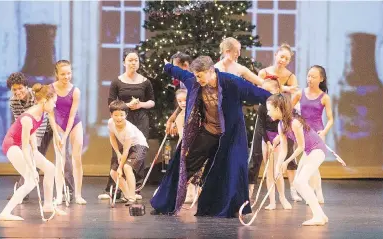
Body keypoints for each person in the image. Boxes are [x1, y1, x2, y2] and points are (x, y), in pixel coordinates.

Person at [150, 56, 271, 218]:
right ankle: (163, 205)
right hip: (207, 132)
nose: (197, 79)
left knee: (234, 169)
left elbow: (258, 93)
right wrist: (168, 67)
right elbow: (181, 73)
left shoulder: (231, 82)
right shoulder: (194, 81)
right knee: (182, 164)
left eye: (200, 76)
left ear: (210, 71)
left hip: (231, 136)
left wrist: (278, 102)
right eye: (196, 76)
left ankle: (228, 208)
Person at [267, 94, 344, 226]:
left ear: (278, 109)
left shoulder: (295, 123)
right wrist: (278, 166)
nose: (268, 112)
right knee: (297, 183)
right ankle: (321, 215)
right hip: (309, 151)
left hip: (317, 149)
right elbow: (284, 149)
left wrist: (286, 162)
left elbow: (301, 147)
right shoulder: (281, 125)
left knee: (301, 181)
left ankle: (318, 216)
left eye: (270, 109)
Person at [6, 72, 75, 201]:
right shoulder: (13, 101)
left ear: (26, 87)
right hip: (33, 128)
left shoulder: (36, 95)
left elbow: (45, 117)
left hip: (50, 125)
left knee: (63, 156)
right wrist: (26, 142)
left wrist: (42, 140)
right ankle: (23, 191)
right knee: (33, 159)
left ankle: (69, 191)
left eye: (20, 88)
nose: (18, 92)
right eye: (14, 89)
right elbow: (20, 121)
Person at [0, 84, 64, 221]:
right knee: (31, 180)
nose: (55, 106)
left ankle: (48, 206)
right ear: (45, 101)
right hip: (13, 146)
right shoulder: (28, 118)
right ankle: (5, 213)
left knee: (50, 168)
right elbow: (24, 146)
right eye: (54, 102)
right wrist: (31, 167)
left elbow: (32, 144)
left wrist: (36, 152)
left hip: (25, 146)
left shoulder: (41, 113)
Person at [101, 50, 155, 200]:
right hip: (123, 117)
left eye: (136, 60)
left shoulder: (145, 81)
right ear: (124, 62)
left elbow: (152, 101)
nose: (133, 63)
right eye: (130, 60)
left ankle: (135, 189)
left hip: (140, 118)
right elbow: (111, 103)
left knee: (137, 153)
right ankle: (113, 189)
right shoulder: (117, 81)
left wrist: (140, 104)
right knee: (117, 151)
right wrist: (126, 105)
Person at [257, 43, 301, 202]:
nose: (283, 60)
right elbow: (259, 87)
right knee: (264, 159)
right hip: (267, 115)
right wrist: (284, 88)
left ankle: (293, 190)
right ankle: (268, 197)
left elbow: (294, 94)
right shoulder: (264, 72)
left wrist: (284, 91)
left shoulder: (290, 76)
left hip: (282, 118)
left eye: (287, 59)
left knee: (289, 153)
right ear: (276, 55)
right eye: (281, 56)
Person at [291, 65, 334, 204]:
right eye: (308, 76)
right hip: (303, 133)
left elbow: (331, 119)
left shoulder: (324, 97)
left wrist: (324, 131)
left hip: (317, 133)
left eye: (313, 77)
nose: (310, 79)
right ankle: (316, 193)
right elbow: (288, 110)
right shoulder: (300, 93)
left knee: (311, 165)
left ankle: (314, 193)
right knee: (310, 165)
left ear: (321, 79)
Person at [48, 60, 86, 205]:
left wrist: (66, 134)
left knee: (77, 158)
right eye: (63, 74)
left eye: (69, 73)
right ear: (57, 74)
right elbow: (50, 113)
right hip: (57, 124)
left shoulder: (75, 91)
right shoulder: (50, 89)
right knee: (60, 160)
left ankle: (78, 195)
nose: (66, 76)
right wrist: (57, 134)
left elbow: (71, 115)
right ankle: (59, 195)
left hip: (74, 124)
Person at [252, 77, 292, 210]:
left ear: (277, 90)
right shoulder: (263, 107)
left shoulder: (284, 107)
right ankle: (272, 201)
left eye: (269, 91)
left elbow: (286, 126)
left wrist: (279, 139)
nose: (266, 93)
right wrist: (268, 142)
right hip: (267, 140)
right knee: (269, 172)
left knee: (277, 171)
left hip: (279, 139)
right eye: (264, 91)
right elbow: (261, 127)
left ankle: (282, 198)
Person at [107, 100, 149, 205]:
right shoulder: (110, 123)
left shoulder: (128, 129)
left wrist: (120, 167)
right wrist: (117, 153)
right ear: (111, 115)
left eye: (121, 115)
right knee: (113, 172)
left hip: (139, 146)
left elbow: (126, 150)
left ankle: (132, 197)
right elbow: (112, 138)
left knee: (126, 167)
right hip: (127, 147)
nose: (118, 118)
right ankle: (127, 196)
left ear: (126, 115)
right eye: (116, 115)